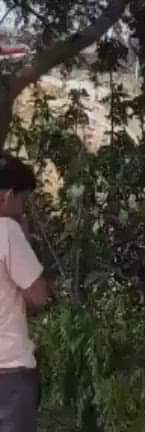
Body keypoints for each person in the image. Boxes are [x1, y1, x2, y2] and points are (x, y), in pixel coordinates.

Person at [0, 153, 50, 432]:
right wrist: (25, 238)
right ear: (7, 196)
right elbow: (38, 295)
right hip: (8, 374)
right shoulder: (6, 230)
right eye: (23, 199)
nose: (23, 208)